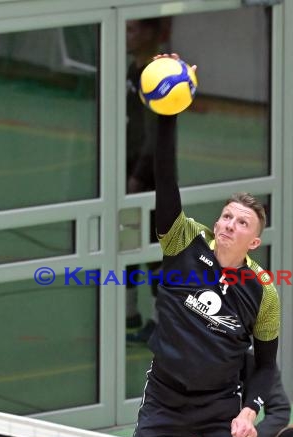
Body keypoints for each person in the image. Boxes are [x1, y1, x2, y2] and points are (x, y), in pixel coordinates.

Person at [128, 53, 281, 437]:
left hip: (220, 408)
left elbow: (266, 365)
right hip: (164, 401)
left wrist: (248, 410)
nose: (229, 223)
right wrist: (166, 115)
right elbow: (165, 181)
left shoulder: (263, 291)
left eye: (241, 221)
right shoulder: (182, 243)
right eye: (226, 215)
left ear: (254, 239)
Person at [125, 18, 170, 340]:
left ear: (154, 33)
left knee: (155, 249)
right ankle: (128, 313)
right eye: (127, 29)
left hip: (152, 174)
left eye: (136, 29)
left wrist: (139, 175)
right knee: (127, 241)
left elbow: (157, 135)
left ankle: (161, 319)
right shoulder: (131, 69)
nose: (129, 36)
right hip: (126, 169)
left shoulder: (159, 74)